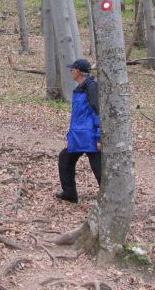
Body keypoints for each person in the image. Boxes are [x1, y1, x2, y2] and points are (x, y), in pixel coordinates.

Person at [56, 58, 101, 203]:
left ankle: (110, 198)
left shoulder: (92, 87)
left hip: (91, 137)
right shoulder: (80, 88)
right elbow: (77, 116)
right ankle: (69, 194)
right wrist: (70, 137)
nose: (70, 73)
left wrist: (100, 137)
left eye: (72, 70)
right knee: (64, 159)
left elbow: (98, 112)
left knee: (99, 169)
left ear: (77, 71)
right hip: (79, 136)